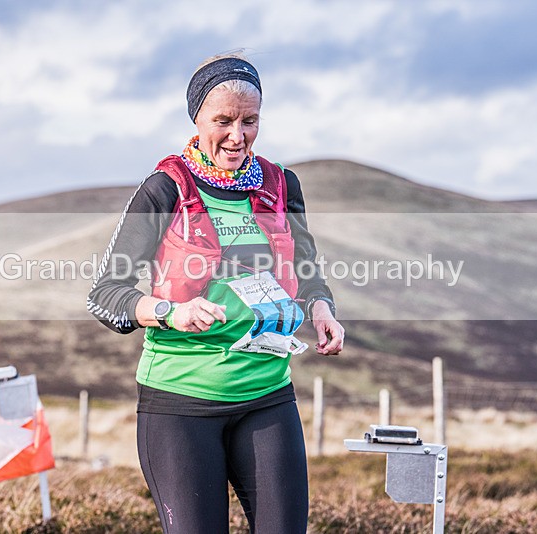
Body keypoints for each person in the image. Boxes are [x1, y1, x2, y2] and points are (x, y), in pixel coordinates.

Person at [87, 53, 344, 533]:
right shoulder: (165, 189)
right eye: (223, 121)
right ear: (197, 119)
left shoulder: (281, 185)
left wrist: (322, 308)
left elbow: (307, 269)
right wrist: (169, 311)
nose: (237, 135)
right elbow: (106, 293)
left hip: (267, 395)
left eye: (250, 121)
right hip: (180, 402)